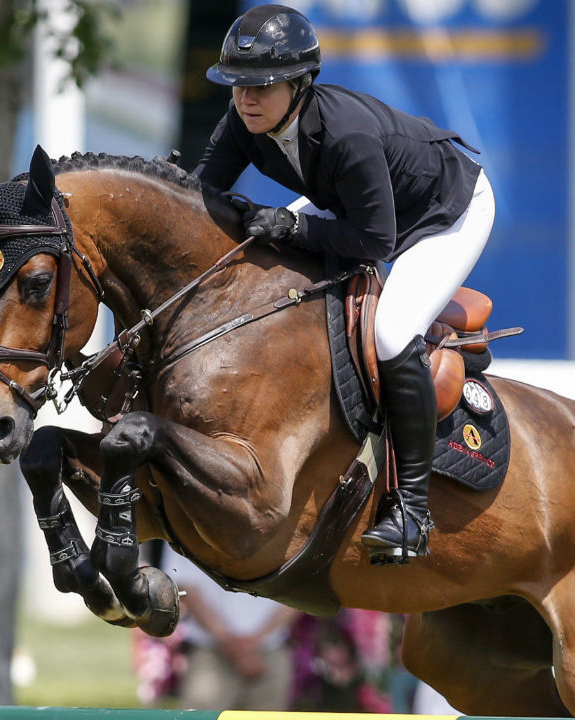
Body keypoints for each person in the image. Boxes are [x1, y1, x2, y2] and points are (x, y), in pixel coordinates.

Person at [194, 4, 496, 562]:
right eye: (237, 85)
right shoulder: (243, 121)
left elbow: (375, 241)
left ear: (299, 85)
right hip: (363, 208)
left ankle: (413, 512)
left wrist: (291, 225)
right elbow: (198, 199)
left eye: (261, 86)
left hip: (444, 212)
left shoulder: (346, 135)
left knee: (391, 333)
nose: (246, 99)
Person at [160, 545, 298, 711]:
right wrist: (235, 645)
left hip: (269, 651)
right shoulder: (184, 528)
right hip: (212, 651)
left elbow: (301, 588)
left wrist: (249, 643)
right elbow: (184, 584)